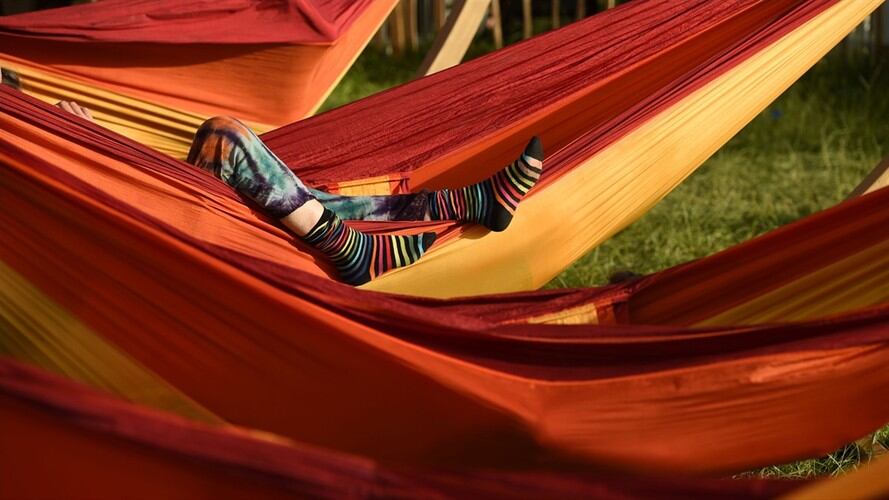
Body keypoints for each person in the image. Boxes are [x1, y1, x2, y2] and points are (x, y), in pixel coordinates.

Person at [1, 67, 544, 285]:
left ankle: (472, 203)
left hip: (162, 206)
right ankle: (351, 249)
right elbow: (90, 210)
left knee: (305, 199)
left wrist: (88, 139)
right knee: (225, 138)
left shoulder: (29, 144)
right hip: (144, 242)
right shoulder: (18, 166)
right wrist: (83, 146)